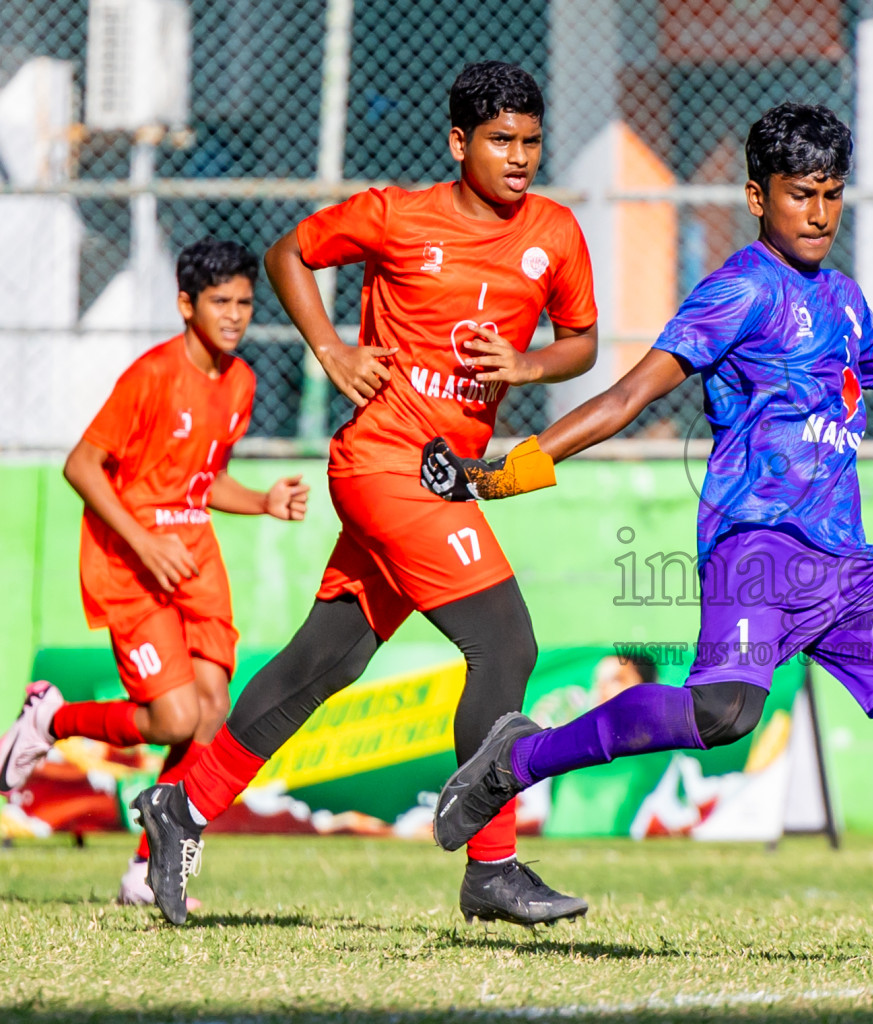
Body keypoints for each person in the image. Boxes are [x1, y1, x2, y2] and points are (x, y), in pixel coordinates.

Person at [421, 103, 873, 970]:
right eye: (801, 194)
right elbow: (628, 397)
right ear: (755, 196)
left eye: (833, 195)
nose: (818, 212)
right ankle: (521, 757)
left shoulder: (844, 301)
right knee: (725, 714)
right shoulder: (739, 289)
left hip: (846, 565)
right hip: (757, 549)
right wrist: (505, 472)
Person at [132, 61, 598, 927]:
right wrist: (331, 351)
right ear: (460, 143)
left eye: (532, 141)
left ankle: (181, 806)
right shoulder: (398, 215)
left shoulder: (556, 234)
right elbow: (289, 253)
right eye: (501, 141)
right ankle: (490, 869)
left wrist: (532, 364)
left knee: (327, 662)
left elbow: (583, 342)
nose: (520, 157)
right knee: (506, 642)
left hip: (447, 471)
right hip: (388, 463)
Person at [0, 239, 309, 906]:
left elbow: (204, 480)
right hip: (132, 564)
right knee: (171, 719)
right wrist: (143, 542)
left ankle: (145, 869)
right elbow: (81, 465)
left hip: (195, 562)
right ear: (185, 304)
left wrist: (260, 502)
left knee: (209, 715)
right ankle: (52, 719)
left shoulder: (241, 381)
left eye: (244, 303)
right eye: (220, 302)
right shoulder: (151, 376)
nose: (234, 315)